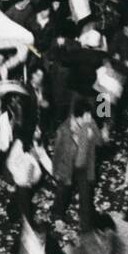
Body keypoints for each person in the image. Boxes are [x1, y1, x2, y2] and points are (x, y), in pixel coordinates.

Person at [52, 98, 101, 232]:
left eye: (90, 116)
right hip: (67, 166)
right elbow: (57, 152)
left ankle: (86, 227)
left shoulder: (90, 124)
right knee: (63, 192)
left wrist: (92, 134)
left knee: (86, 196)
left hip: (84, 166)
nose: (89, 118)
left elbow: (100, 141)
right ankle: (58, 216)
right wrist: (55, 170)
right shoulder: (64, 129)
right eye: (86, 116)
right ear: (77, 117)